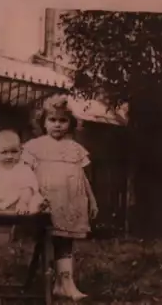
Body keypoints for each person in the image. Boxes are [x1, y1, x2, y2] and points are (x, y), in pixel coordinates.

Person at [22, 94, 99, 301]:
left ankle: (64, 282)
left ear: (70, 123)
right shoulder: (34, 146)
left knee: (66, 241)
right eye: (52, 120)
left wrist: (92, 199)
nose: (57, 125)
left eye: (63, 120)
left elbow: (83, 177)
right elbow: (24, 175)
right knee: (52, 239)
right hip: (47, 200)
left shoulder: (75, 148)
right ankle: (58, 283)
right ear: (43, 122)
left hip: (71, 202)